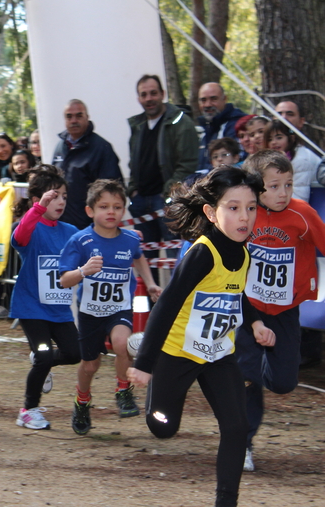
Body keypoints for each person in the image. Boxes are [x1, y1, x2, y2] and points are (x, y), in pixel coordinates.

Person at [127, 166, 276, 507]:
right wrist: (146, 363)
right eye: (234, 207)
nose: (245, 217)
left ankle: (226, 501)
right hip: (176, 353)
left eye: (251, 207)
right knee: (164, 428)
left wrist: (255, 323)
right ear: (211, 212)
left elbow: (236, 293)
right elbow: (166, 305)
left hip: (217, 354)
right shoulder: (201, 253)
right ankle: (152, 384)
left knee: (237, 427)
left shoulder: (245, 251)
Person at [235, 151, 325, 472]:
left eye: (288, 185)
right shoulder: (244, 214)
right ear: (256, 188)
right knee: (246, 378)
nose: (283, 193)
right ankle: (241, 443)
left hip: (286, 309)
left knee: (285, 382)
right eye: (274, 186)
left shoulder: (302, 214)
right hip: (246, 306)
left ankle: (239, 370)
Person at [59, 179, 161, 434]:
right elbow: (63, 280)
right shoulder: (80, 241)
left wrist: (149, 284)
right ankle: (82, 400)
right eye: (104, 206)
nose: (111, 212)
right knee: (90, 365)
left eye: (117, 206)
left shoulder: (129, 239)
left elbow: (139, 258)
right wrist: (83, 271)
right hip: (90, 312)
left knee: (122, 344)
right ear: (90, 211)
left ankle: (123, 390)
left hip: (119, 308)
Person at [10, 166, 81, 430]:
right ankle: (28, 410)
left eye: (63, 196)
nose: (60, 201)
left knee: (75, 353)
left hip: (59, 308)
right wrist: (39, 208)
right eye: (54, 196)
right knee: (42, 356)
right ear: (37, 200)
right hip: (31, 306)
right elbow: (20, 236)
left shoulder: (71, 231)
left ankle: (45, 360)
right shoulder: (28, 226)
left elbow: (89, 247)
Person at [127, 74, 198, 280]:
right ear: (139, 98)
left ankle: (177, 309)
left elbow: (188, 163)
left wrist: (168, 192)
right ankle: (149, 309)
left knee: (176, 259)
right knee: (145, 264)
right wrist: (132, 190)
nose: (149, 98)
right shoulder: (137, 126)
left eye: (153, 93)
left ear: (162, 94)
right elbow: (134, 162)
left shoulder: (180, 123)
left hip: (168, 203)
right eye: (144, 94)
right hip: (141, 203)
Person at [52, 99, 123, 230]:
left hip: (89, 227)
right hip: (62, 225)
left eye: (79, 115)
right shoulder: (59, 147)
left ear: (87, 117)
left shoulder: (102, 148)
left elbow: (112, 192)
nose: (74, 120)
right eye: (69, 116)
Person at [263, 119, 319, 202]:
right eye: (270, 139)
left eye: (279, 137)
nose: (274, 142)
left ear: (291, 138)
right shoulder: (281, 158)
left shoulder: (300, 160)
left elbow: (300, 198)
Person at [197, 83, 247, 170]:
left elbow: (236, 164)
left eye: (213, 99)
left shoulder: (238, 125)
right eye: (203, 100)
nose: (208, 104)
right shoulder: (206, 128)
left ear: (224, 99)